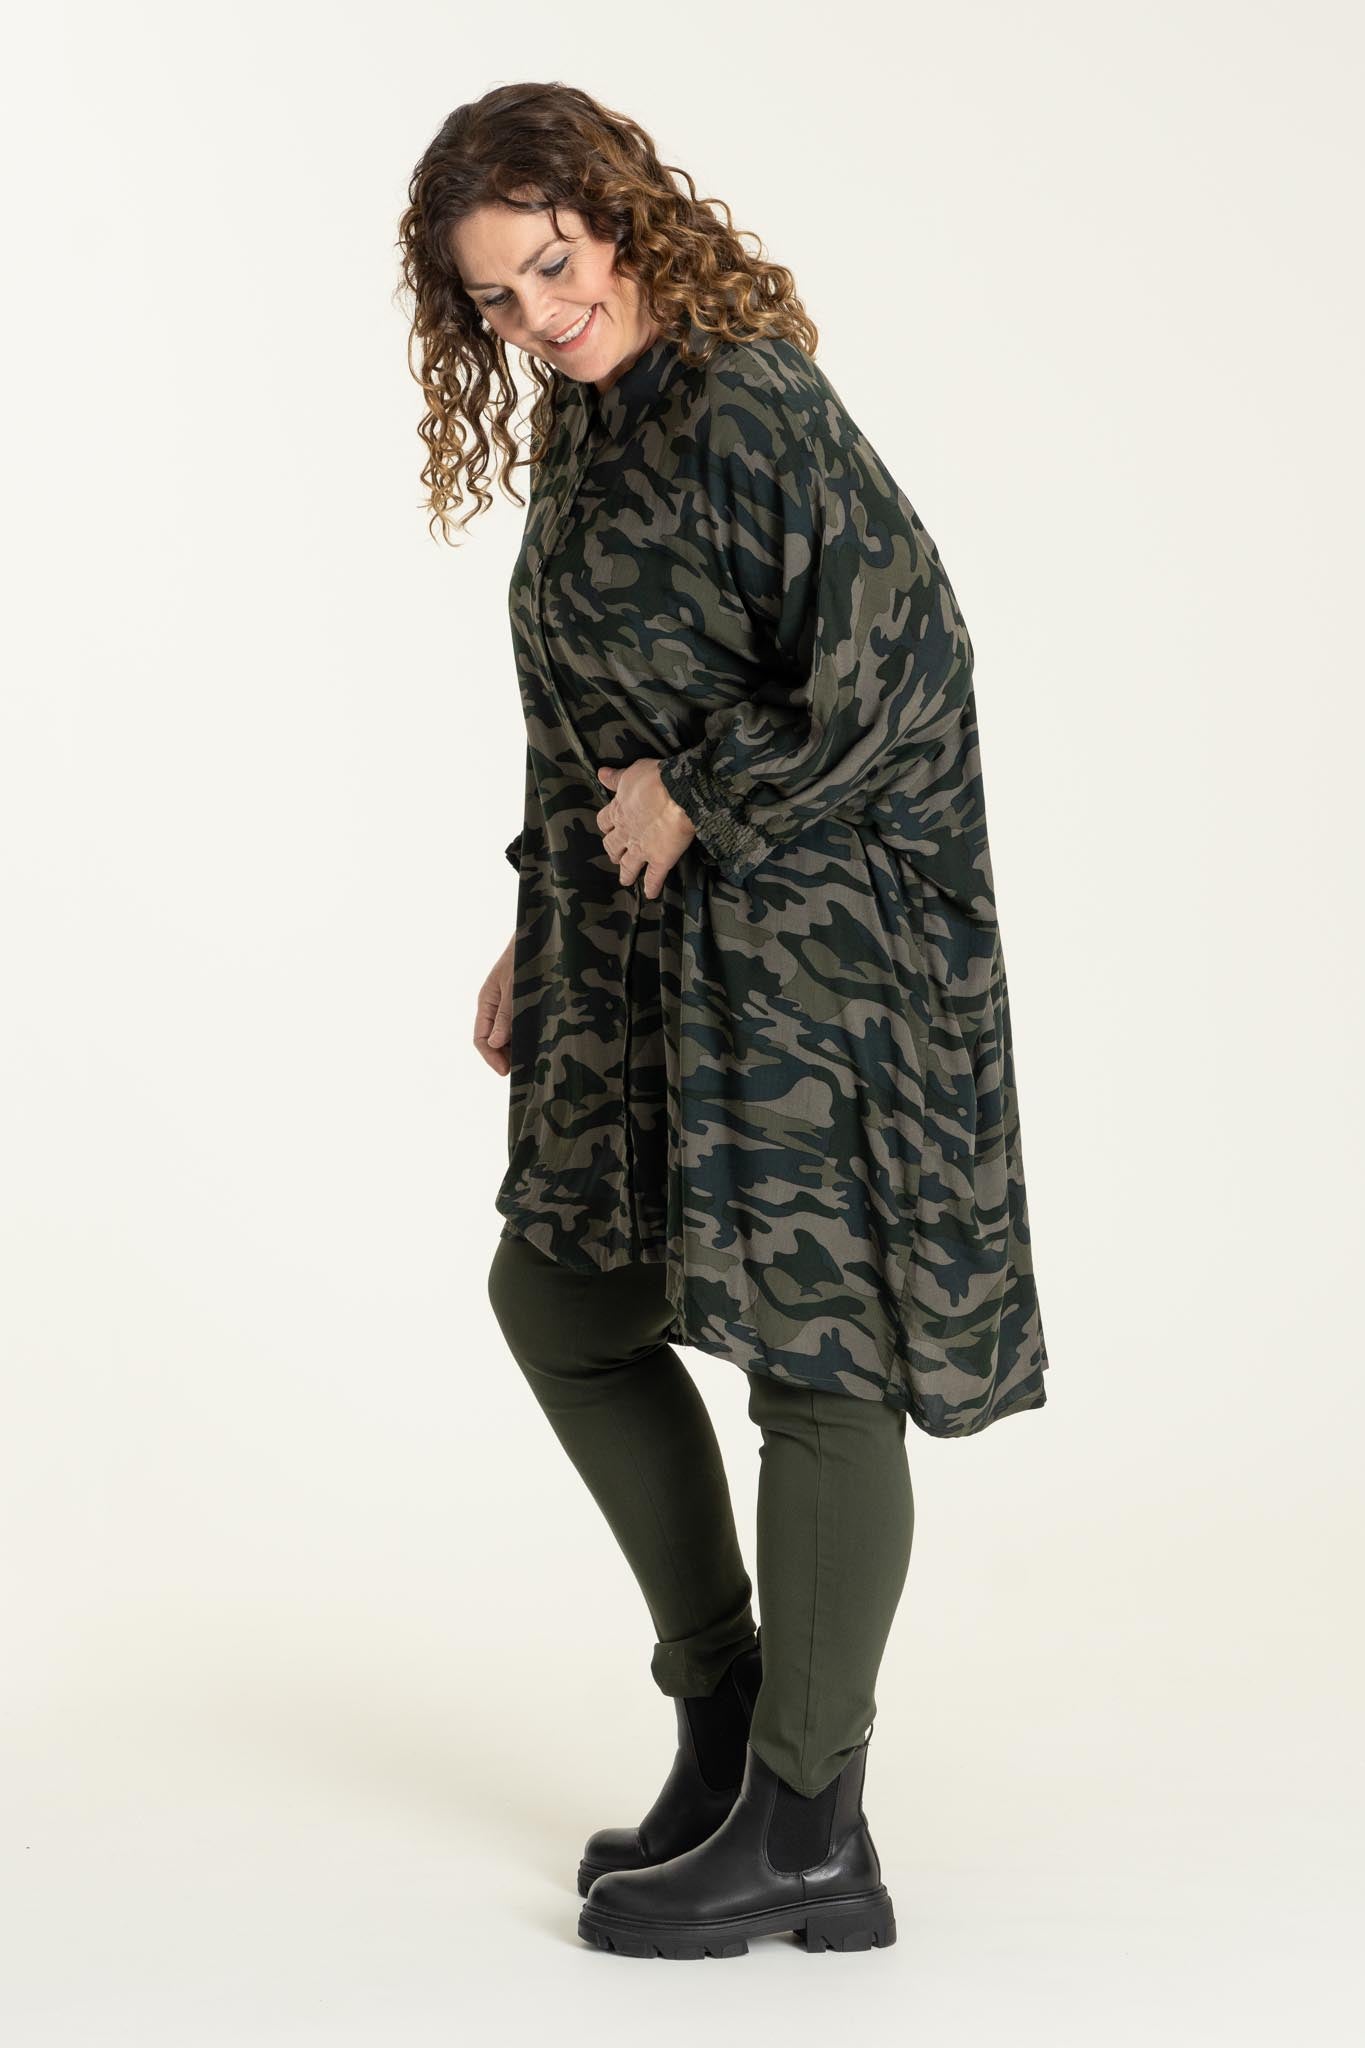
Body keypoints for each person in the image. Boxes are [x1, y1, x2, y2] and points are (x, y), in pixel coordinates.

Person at [398, 80, 1050, 1960]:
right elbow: (580, 716)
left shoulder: (748, 399)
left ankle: (811, 1828)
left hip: (818, 947)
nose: (539, 317)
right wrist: (540, 920)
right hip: (647, 945)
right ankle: (731, 1724)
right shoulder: (582, 424)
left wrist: (700, 791)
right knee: (564, 1296)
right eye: (495, 300)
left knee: (816, 1351)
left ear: (620, 217)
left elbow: (908, 661)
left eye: (554, 265)